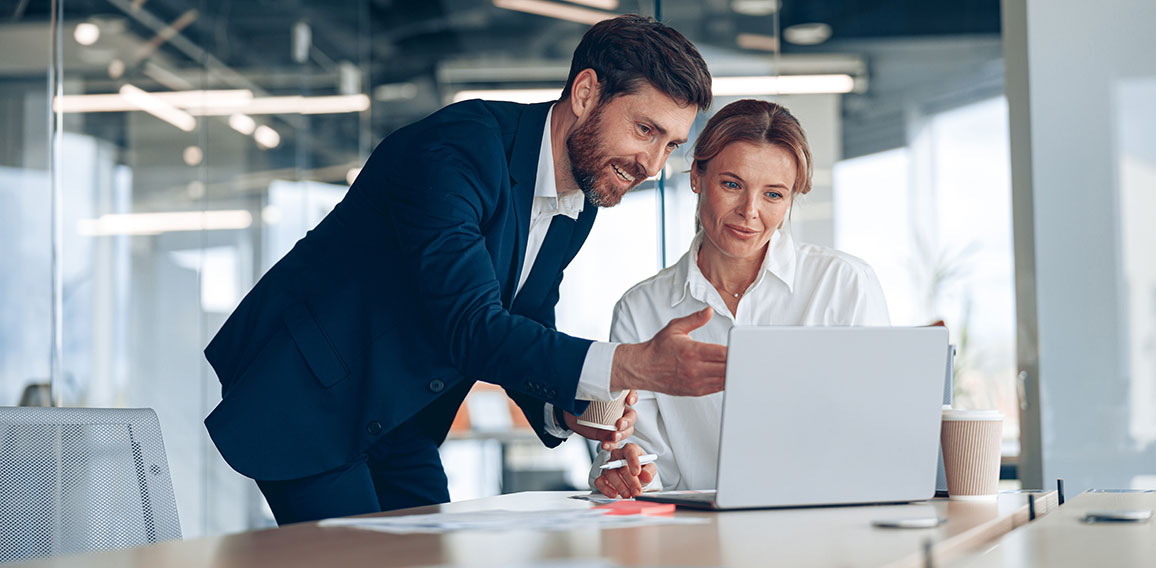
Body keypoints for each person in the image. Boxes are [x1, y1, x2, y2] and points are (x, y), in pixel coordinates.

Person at [203, 15, 727, 525]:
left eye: (671, 145)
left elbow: (524, 316)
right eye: (644, 129)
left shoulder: (580, 196)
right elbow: (470, 324)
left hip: (400, 414)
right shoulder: (460, 148)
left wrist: (570, 409)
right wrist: (629, 364)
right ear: (586, 93)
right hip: (310, 393)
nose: (653, 164)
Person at [589, 99, 891, 498]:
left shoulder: (844, 285)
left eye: (773, 195)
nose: (750, 211)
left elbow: (880, 431)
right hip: (696, 543)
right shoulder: (641, 310)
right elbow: (637, 454)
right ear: (697, 175)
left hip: (824, 530)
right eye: (732, 185)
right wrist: (625, 468)